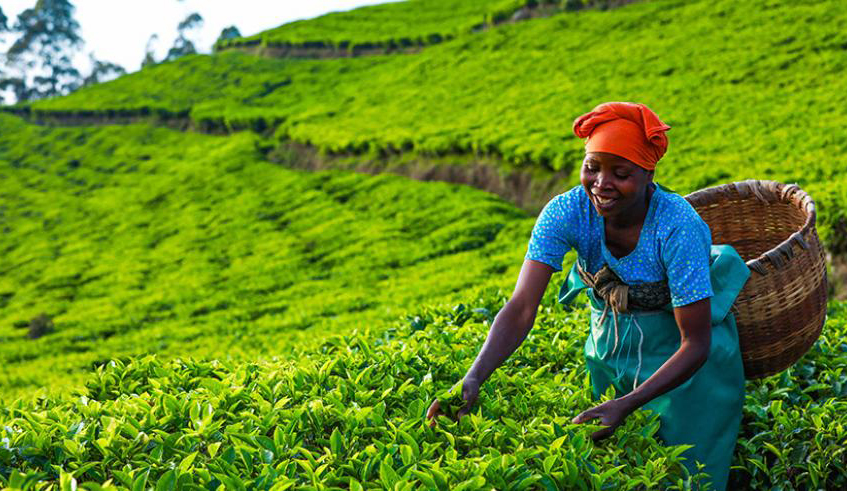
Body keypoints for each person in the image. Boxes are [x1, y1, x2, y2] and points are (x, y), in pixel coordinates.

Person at [426, 102, 749, 491]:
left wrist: (627, 404)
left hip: (689, 375)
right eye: (592, 167)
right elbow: (522, 307)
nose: (600, 183)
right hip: (611, 358)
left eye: (621, 173)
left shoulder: (677, 226)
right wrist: (473, 377)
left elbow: (695, 343)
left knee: (687, 474)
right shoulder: (567, 212)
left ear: (649, 174)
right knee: (621, 472)